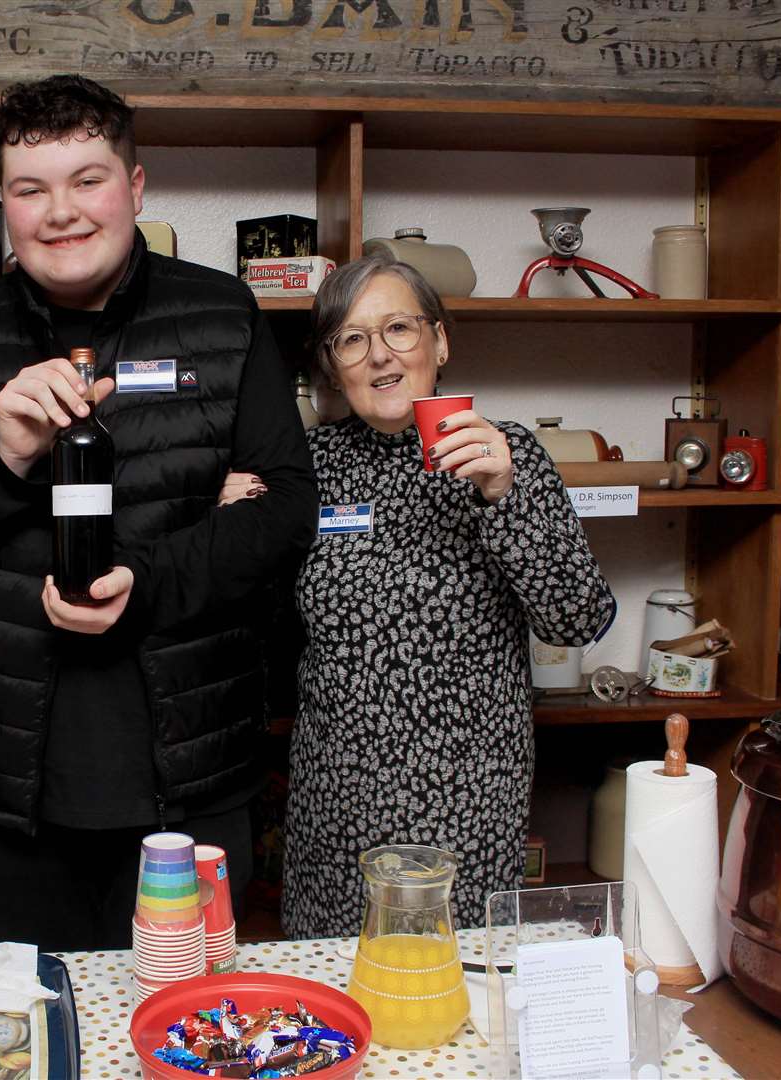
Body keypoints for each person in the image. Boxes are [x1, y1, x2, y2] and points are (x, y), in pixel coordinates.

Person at [0, 75, 316, 950]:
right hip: (2, 783)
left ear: (136, 187)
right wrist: (3, 460)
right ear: (5, 203)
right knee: (35, 1029)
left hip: (195, 771)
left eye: (88, 180)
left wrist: (144, 581)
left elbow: (287, 509)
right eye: (30, 189)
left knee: (187, 1020)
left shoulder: (223, 316)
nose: (60, 212)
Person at [277, 253, 615, 936]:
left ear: (440, 341)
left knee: (449, 992)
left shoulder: (507, 452)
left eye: (399, 328)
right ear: (331, 365)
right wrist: (239, 508)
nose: (379, 356)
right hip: (337, 794)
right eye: (352, 338)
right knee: (340, 991)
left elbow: (579, 617)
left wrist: (504, 495)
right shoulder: (310, 465)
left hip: (466, 794)